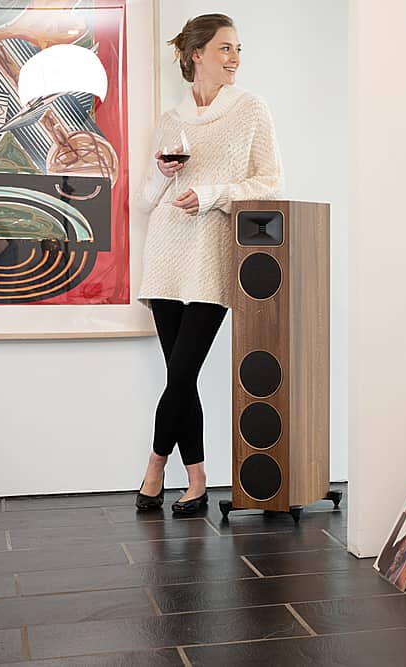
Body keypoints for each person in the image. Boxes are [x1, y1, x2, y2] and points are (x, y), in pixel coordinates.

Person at [133, 13, 284, 515]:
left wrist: (214, 193)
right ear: (196, 54)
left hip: (212, 253)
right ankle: (196, 480)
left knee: (180, 373)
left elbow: (269, 181)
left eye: (238, 48)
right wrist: (160, 172)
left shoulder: (250, 110)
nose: (235, 58)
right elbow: (147, 199)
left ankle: (154, 467)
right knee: (183, 376)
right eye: (224, 48)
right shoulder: (173, 118)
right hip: (166, 251)